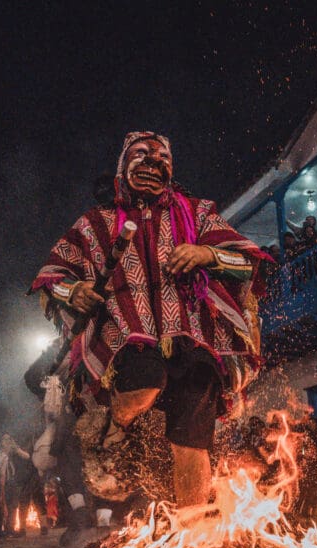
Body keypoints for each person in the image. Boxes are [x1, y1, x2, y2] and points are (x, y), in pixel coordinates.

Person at [29, 131, 269, 512]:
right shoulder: (95, 223)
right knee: (145, 382)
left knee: (192, 437)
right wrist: (74, 292)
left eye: (162, 159)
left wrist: (206, 254)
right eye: (142, 155)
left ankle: (192, 524)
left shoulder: (197, 213)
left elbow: (247, 262)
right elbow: (51, 276)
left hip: (193, 336)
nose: (154, 163)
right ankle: (114, 428)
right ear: (124, 165)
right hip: (128, 334)